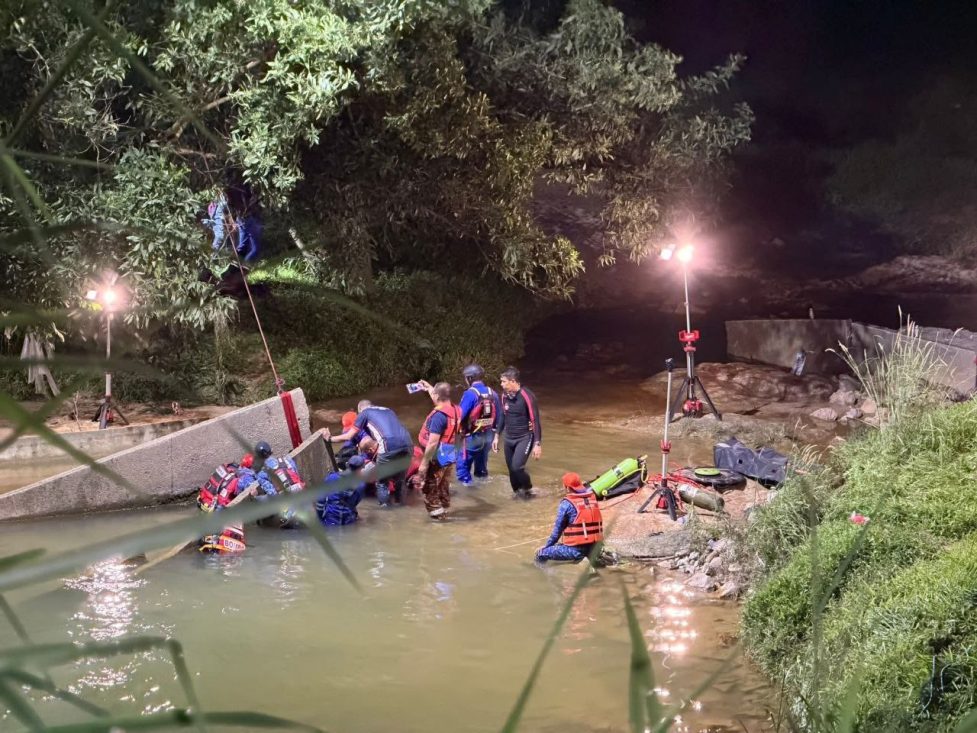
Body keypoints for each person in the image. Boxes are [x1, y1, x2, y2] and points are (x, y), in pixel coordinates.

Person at [326, 401, 413, 506]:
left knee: (382, 483)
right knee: (400, 480)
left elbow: (349, 436)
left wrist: (330, 438)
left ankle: (385, 510)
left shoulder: (364, 413)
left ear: (360, 411)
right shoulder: (387, 410)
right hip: (408, 444)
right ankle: (401, 505)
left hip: (388, 446)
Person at [415, 381, 462, 520]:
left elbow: (432, 443)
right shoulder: (455, 409)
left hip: (436, 456)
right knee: (443, 484)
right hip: (449, 452)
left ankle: (438, 518)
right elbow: (439, 398)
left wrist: (424, 464)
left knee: (429, 487)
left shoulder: (438, 416)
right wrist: (429, 388)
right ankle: (445, 508)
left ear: (437, 395)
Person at [492, 366, 542, 496]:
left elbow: (535, 420)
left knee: (517, 467)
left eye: (504, 381)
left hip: (524, 437)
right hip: (509, 438)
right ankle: (517, 494)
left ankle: (528, 489)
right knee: (511, 470)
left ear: (513, 381)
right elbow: (502, 416)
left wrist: (537, 444)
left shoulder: (527, 396)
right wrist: (496, 436)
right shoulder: (504, 396)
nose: (501, 384)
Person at [535, 472, 604, 563]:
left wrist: (546, 547)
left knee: (540, 554)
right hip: (595, 548)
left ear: (567, 488)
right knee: (559, 547)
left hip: (577, 551)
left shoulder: (566, 504)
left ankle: (539, 571)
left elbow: (557, 531)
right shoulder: (592, 499)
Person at [456, 364, 500, 486]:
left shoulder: (470, 394)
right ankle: (482, 488)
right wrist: (495, 436)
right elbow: (499, 417)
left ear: (470, 378)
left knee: (462, 470)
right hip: (488, 437)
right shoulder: (493, 393)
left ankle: (469, 493)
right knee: (481, 470)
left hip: (471, 438)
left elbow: (459, 416)